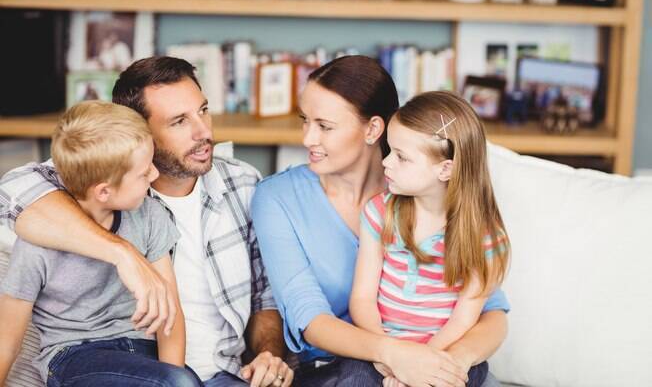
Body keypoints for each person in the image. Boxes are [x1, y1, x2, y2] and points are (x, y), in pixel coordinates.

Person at [0, 57, 293, 387]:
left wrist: (270, 354)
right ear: (138, 130)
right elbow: (11, 192)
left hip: (221, 374)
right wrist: (122, 253)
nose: (204, 131)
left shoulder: (243, 183)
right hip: (120, 367)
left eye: (204, 110)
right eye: (179, 121)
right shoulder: (103, 178)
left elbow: (263, 299)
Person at [251, 55, 510, 387]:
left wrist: (444, 365)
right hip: (338, 369)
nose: (307, 139)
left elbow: (492, 313)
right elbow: (310, 319)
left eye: (324, 126)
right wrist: (396, 357)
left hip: (437, 359)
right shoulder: (276, 199)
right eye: (305, 120)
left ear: (373, 128)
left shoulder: (422, 186)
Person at [0, 101, 200, 386]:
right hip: (74, 356)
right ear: (104, 191)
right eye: (144, 173)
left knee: (182, 380)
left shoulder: (150, 215)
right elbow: (6, 340)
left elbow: (171, 315)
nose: (155, 176)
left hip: (144, 354)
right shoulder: (37, 243)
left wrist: (174, 374)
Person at [349, 91, 511, 387]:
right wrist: (391, 358)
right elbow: (362, 298)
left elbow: (464, 320)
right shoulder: (379, 213)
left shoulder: (484, 237)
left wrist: (421, 365)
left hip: (444, 353)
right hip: (383, 349)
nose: (386, 162)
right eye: (390, 151)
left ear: (445, 169)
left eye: (401, 157)